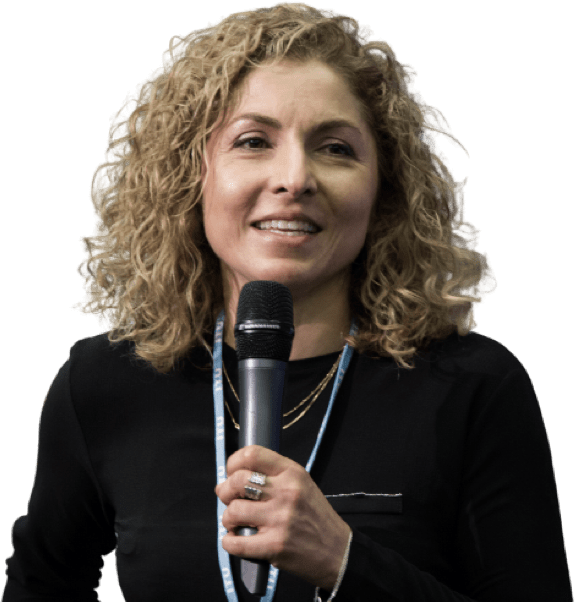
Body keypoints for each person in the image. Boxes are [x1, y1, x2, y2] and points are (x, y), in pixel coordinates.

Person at [2, 2, 572, 601]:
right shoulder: (104, 385)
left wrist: (344, 562)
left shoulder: (472, 387)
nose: (294, 177)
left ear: (385, 189)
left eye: (336, 148)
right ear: (189, 176)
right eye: (253, 141)